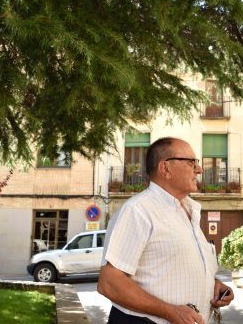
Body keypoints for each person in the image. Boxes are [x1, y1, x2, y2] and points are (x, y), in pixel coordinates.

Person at [97, 137, 234, 324]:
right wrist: (169, 312)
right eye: (191, 162)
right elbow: (109, 283)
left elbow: (172, 269)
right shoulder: (138, 210)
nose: (199, 169)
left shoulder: (188, 211)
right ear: (165, 168)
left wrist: (213, 285)